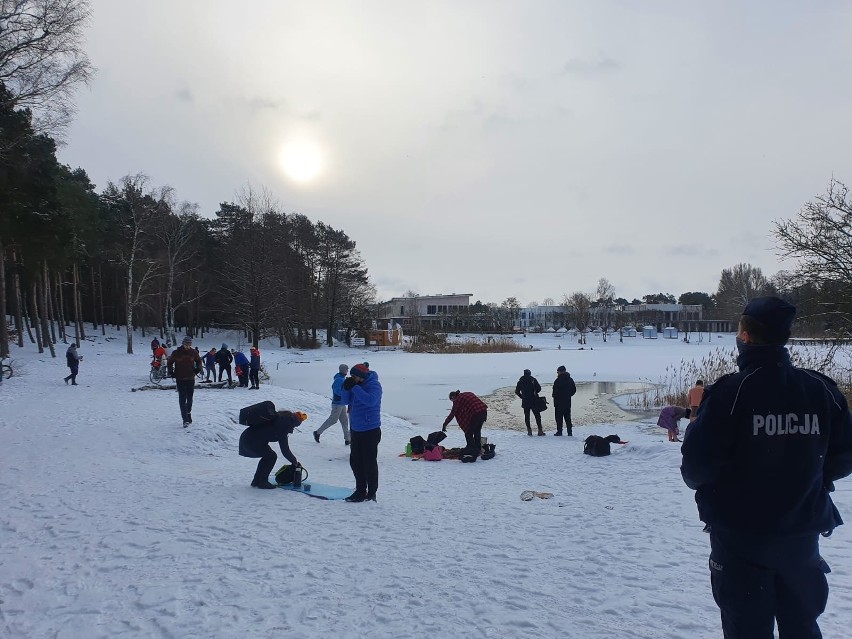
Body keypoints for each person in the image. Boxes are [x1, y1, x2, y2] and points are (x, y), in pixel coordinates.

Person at [681, 296, 852, 638]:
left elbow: (696, 469)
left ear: (744, 337)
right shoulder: (820, 389)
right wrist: (805, 477)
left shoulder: (730, 394)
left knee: (747, 630)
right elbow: (844, 457)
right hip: (801, 539)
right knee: (802, 628)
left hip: (741, 540)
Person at [239, 410, 307, 489]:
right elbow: (285, 450)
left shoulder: (281, 418)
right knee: (271, 456)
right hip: (251, 441)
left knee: (268, 456)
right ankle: (262, 482)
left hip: (247, 437)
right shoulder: (284, 426)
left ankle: (256, 481)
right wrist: (294, 461)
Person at [345, 362, 382, 502]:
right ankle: (360, 490)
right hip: (356, 429)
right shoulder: (356, 386)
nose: (353, 378)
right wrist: (345, 388)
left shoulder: (374, 385)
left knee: (369, 462)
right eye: (351, 376)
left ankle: (371, 492)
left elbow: (371, 401)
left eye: (354, 376)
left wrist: (354, 388)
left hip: (370, 430)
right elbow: (344, 401)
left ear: (361, 376)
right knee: (355, 462)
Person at [167, 336, 203, 427]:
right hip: (180, 378)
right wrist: (171, 372)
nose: (187, 346)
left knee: (190, 398)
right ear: (183, 343)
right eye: (186, 344)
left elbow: (199, 361)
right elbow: (170, 362)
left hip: (190, 378)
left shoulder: (193, 352)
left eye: (189, 344)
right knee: (182, 399)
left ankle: (188, 412)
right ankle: (185, 419)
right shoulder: (176, 353)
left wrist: (197, 370)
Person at [313, 364, 351, 445]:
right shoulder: (339, 379)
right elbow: (337, 391)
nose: (347, 371)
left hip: (342, 403)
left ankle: (347, 439)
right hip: (337, 404)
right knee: (333, 420)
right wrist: (346, 394)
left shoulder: (342, 379)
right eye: (346, 369)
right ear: (343, 370)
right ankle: (317, 432)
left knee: (344, 421)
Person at [515, 368, 544, 436]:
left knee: (527, 417)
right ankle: (540, 431)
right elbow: (539, 388)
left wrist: (522, 397)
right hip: (534, 400)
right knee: (537, 416)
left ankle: (529, 431)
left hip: (525, 401)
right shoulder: (533, 380)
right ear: (530, 373)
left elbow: (517, 391)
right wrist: (535, 392)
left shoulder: (520, 381)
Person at [552, 365, 577, 436]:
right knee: (568, 418)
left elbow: (555, 392)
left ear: (561, 372)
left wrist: (555, 397)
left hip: (559, 402)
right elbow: (574, 390)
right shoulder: (570, 379)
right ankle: (570, 432)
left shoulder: (558, 380)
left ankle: (559, 431)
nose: (557, 373)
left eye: (558, 372)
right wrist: (568, 395)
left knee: (559, 418)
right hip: (567, 401)